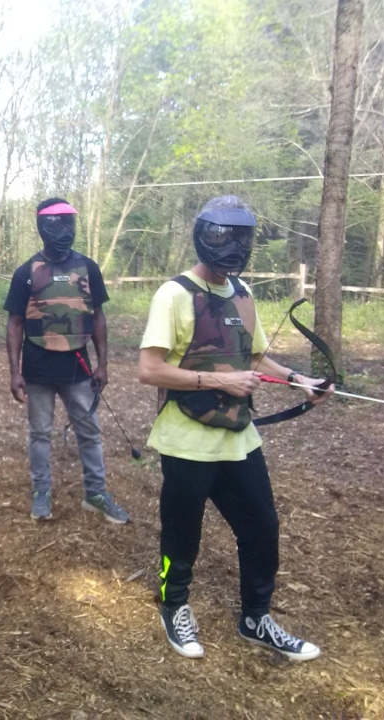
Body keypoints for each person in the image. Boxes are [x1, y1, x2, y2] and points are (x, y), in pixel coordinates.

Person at [137, 195, 331, 661]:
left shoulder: (242, 293)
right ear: (203, 235)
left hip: (239, 437)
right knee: (182, 533)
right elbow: (149, 369)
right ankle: (174, 606)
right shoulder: (173, 294)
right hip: (186, 439)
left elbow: (255, 356)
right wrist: (220, 380)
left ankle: (256, 619)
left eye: (242, 238)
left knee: (262, 527)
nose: (233, 247)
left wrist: (298, 380)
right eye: (223, 236)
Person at [4, 198, 130, 524]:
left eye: (68, 222)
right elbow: (15, 323)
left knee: (89, 430)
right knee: (40, 432)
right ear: (42, 226)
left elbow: (98, 316)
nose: (63, 229)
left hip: (78, 365)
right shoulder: (26, 272)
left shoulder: (87, 268)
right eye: (56, 223)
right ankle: (41, 492)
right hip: (37, 366)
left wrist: (103, 364)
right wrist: (15, 372)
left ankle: (96, 493)